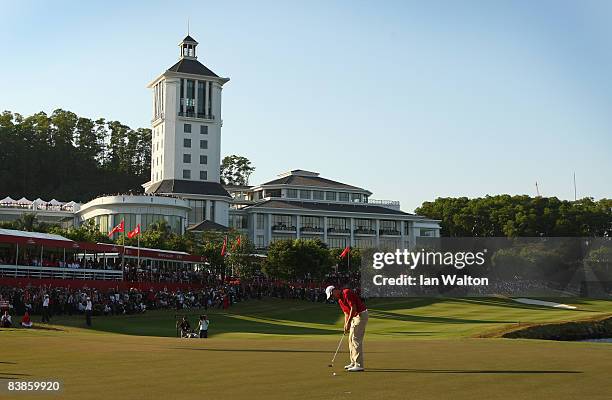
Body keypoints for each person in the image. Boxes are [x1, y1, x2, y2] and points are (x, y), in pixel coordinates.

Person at [325, 285, 368, 372]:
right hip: (354, 317)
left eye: (332, 295)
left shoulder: (346, 293)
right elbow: (346, 313)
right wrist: (345, 325)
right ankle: (353, 362)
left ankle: (359, 365)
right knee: (350, 339)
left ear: (335, 290)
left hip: (361, 314)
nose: (333, 297)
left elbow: (353, 308)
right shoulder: (340, 300)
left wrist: (348, 323)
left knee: (356, 339)